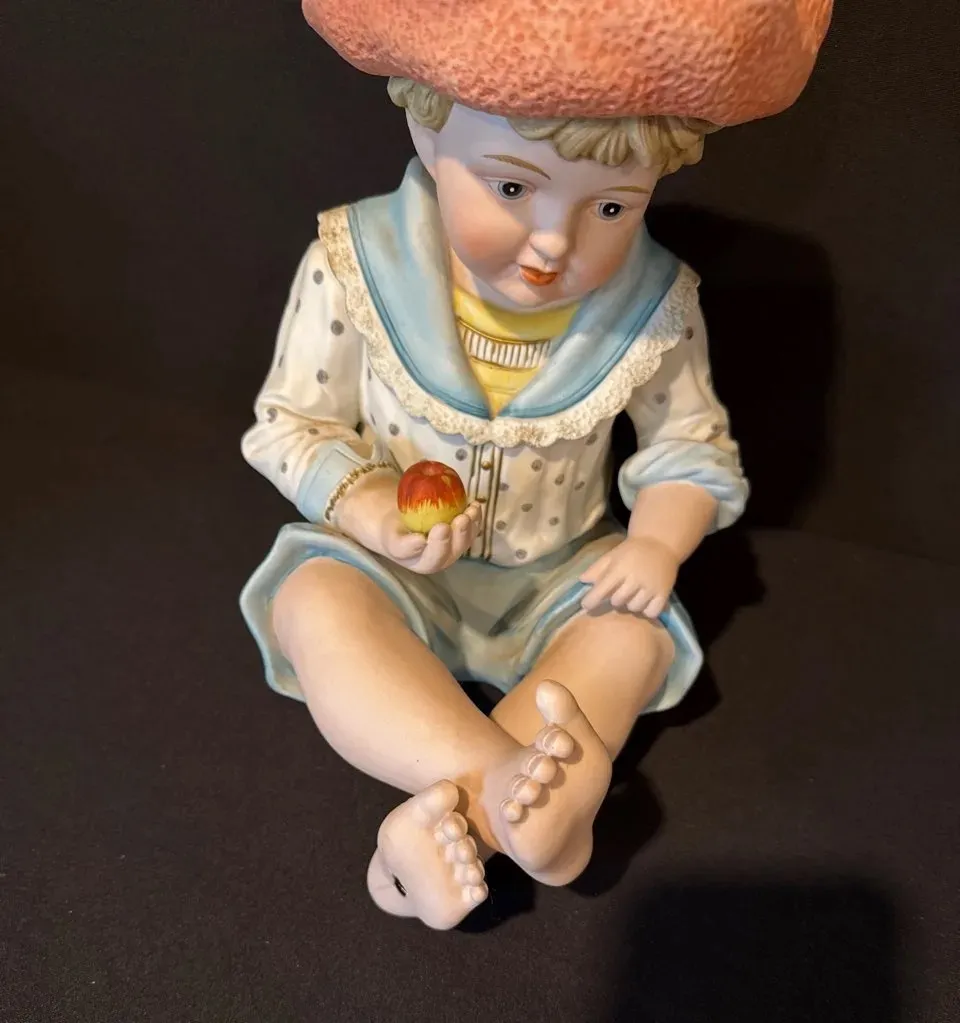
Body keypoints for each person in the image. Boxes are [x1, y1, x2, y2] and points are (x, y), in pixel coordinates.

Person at [239, 79, 749, 929]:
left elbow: (688, 447)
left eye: (612, 208)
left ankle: (441, 843)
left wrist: (658, 543)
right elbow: (291, 423)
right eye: (511, 187)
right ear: (429, 134)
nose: (554, 242)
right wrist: (365, 504)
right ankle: (520, 797)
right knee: (315, 601)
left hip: (559, 572)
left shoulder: (654, 305)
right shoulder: (354, 263)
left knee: (630, 639)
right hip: (392, 566)